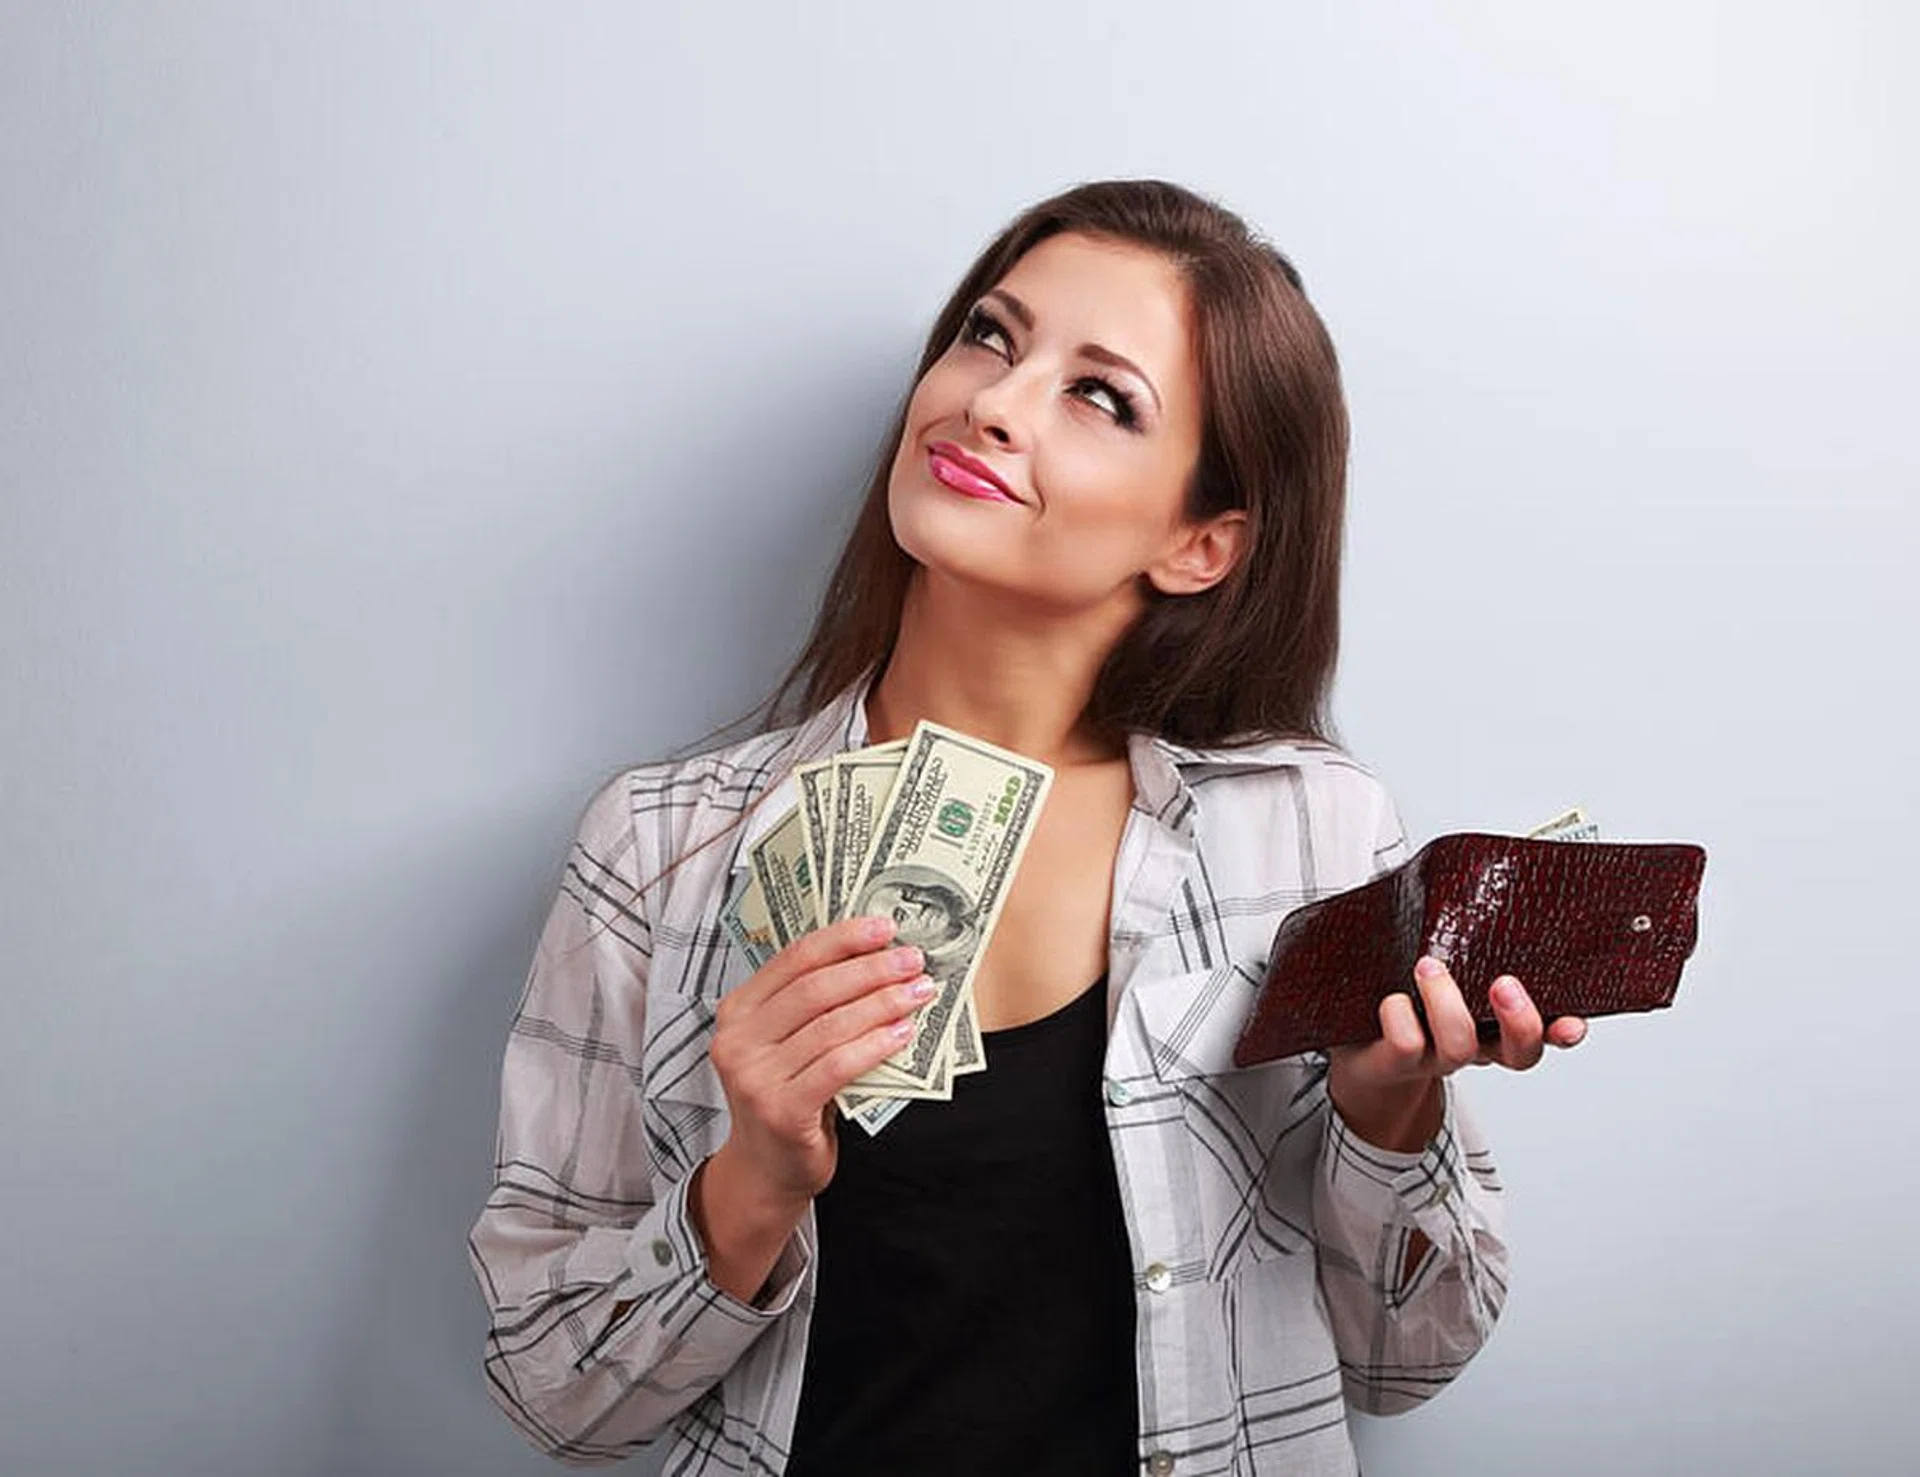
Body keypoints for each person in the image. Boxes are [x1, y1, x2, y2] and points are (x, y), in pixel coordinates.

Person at [467, 179, 1587, 1476]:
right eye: (990, 336)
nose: (992, 402)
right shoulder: (660, 847)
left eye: (1100, 396)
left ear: (1202, 544)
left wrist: (1386, 1115)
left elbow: (1409, 1363)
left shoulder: (1310, 833)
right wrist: (753, 1183)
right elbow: (555, 1396)